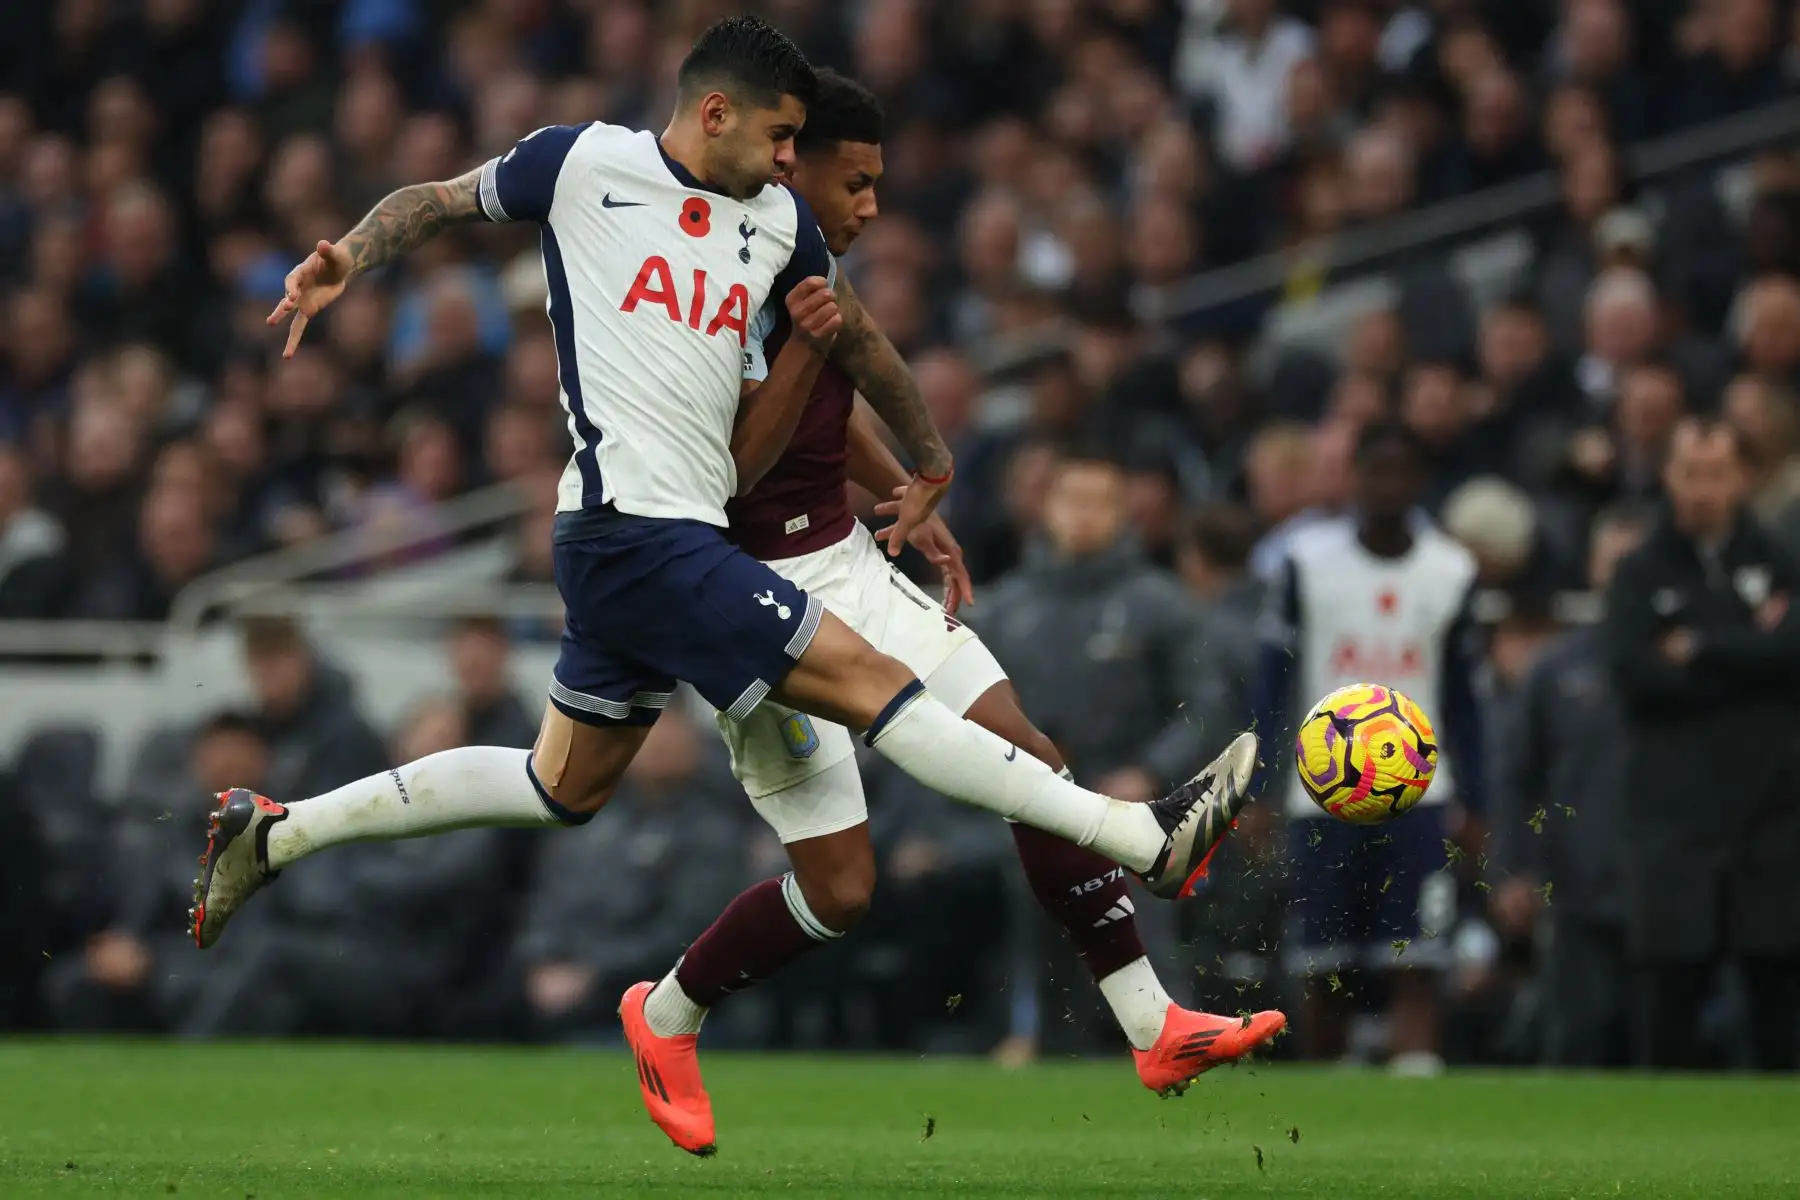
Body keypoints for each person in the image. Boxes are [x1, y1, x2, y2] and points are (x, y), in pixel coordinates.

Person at [191, 16, 1256, 1141]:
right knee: (864, 682)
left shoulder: (779, 223)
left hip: (677, 547)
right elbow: (440, 198)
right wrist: (351, 254)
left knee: (567, 788)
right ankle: (1143, 840)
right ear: (716, 114)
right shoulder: (580, 164)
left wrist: (922, 469)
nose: (795, 161)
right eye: (783, 137)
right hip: (637, 532)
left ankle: (279, 833)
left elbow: (853, 342)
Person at [621, 69, 1282, 1152]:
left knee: (1029, 755)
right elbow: (729, 477)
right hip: (746, 596)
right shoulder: (716, 270)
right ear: (795, 159)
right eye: (859, 179)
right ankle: (666, 1016)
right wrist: (809, 352)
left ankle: (1155, 1025)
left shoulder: (804, 252)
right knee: (839, 892)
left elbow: (838, 389)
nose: (873, 203)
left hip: (847, 562)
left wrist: (901, 488)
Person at [1253, 420, 1488, 1075]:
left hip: (1420, 793)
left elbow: (1467, 698)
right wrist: (1258, 792)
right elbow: (1271, 686)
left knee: (1416, 958)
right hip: (1323, 791)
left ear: (1419, 481)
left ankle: (1415, 1084)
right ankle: (1330, 1091)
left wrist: (1477, 800)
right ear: (1353, 477)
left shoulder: (1450, 570)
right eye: (1374, 470)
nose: (1386, 485)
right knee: (1323, 964)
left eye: (1400, 471)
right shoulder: (1305, 564)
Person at [1600, 417, 1800, 1071]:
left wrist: (1701, 645)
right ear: (1668, 477)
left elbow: (1791, 656)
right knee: (1668, 1006)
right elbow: (1638, 677)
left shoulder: (1782, 561)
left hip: (1771, 816)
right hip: (1671, 824)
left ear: (1742, 478)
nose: (1703, 490)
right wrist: (1753, 654)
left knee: (1777, 1007)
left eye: (1716, 473)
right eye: (1690, 473)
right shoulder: (1637, 571)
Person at [1492, 508, 1647, 1067]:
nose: (1625, 574)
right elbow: (1517, 778)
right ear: (1592, 569)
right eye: (1614, 561)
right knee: (1577, 1040)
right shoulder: (1556, 669)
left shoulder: (1685, 665)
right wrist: (1513, 868)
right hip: (1575, 884)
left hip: (1667, 885)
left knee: (1664, 1047)